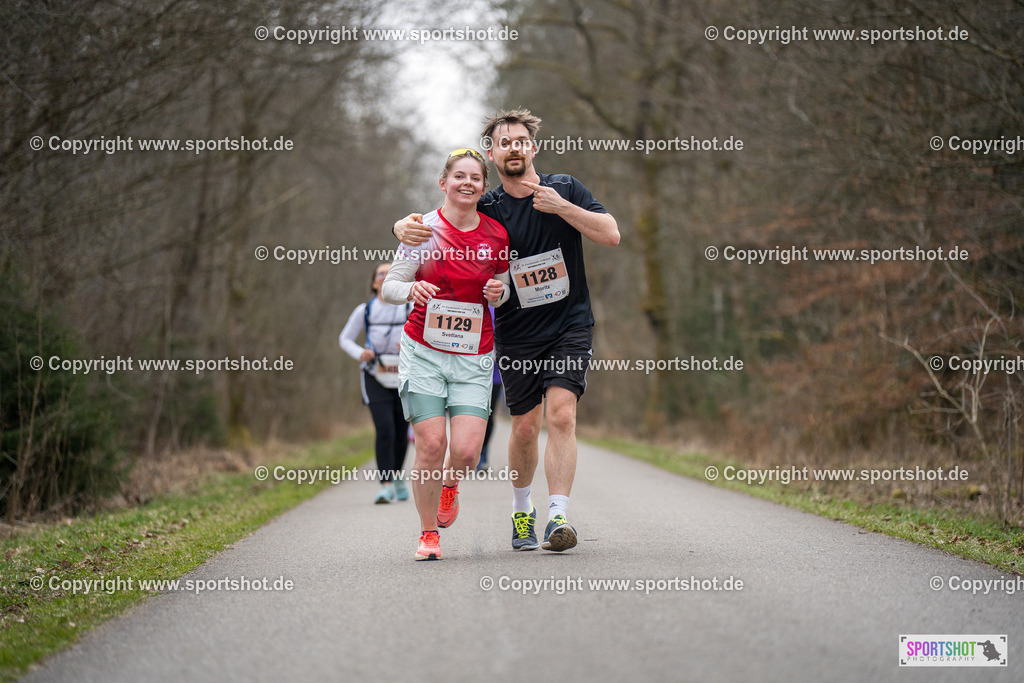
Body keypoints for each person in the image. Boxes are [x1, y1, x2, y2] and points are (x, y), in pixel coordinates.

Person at [393, 109, 618, 552]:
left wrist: (563, 208)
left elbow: (611, 234)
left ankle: (557, 517)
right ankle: (521, 511)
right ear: (493, 153)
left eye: (521, 141)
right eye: (504, 142)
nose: (513, 148)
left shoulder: (566, 187)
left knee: (562, 414)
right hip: (516, 331)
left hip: (570, 323)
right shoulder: (489, 208)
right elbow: (443, 220)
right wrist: (400, 227)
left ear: (532, 148)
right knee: (524, 428)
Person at [380, 148, 511, 561]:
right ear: (444, 182)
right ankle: (428, 534)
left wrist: (498, 292)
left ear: (483, 188)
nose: (467, 183)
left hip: (474, 355)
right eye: (459, 176)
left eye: (475, 177)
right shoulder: (421, 230)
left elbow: (504, 288)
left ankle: (449, 487)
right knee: (432, 444)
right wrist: (412, 289)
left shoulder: (496, 235)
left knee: (468, 450)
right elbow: (390, 287)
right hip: (423, 351)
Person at [340, 263, 412, 504]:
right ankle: (386, 484)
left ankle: (396, 474)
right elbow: (345, 339)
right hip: (374, 375)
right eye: (381, 273)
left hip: (404, 375)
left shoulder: (410, 306)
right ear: (373, 282)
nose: (385, 276)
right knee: (385, 429)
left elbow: (424, 334)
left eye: (390, 273)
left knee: (402, 431)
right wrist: (361, 353)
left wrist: (411, 347)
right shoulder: (365, 310)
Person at [476, 304, 503, 472]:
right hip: (471, 369)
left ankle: (483, 452)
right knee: (474, 413)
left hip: (494, 372)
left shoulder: (499, 304)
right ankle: (471, 452)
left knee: (489, 414)